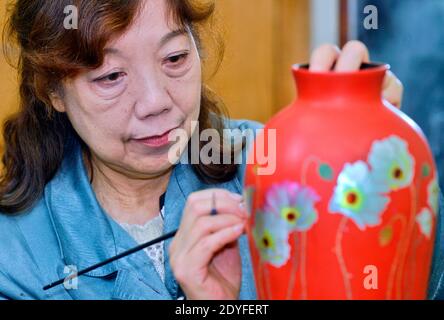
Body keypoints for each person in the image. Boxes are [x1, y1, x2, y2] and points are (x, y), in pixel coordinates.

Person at [0, 0, 435, 300]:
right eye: (111, 77)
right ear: (51, 90)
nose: (156, 102)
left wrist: (381, 165)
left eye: (173, 59)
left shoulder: (280, 164)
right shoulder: (15, 256)